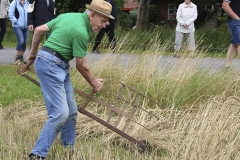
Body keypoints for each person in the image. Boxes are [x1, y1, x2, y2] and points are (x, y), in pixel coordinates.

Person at [27, 0, 113, 159]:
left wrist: (33, 53)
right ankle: (37, 155)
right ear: (92, 15)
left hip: (59, 64)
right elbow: (81, 66)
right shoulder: (81, 31)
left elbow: (39, 30)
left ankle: (67, 150)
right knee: (60, 114)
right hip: (51, 65)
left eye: (107, 21)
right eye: (103, 20)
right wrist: (94, 82)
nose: (105, 24)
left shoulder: (68, 16)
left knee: (71, 112)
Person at [8, 0, 29, 64]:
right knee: (21, 41)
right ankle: (17, 57)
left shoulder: (27, 3)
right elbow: (10, 14)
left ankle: (21, 57)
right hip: (17, 26)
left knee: (25, 42)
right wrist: (16, 21)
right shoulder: (14, 3)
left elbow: (30, 13)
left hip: (26, 26)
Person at [222, 0, 240, 68]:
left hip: (237, 21)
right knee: (239, 43)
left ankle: (227, 65)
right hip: (235, 21)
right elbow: (225, 5)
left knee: (234, 43)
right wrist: (237, 18)